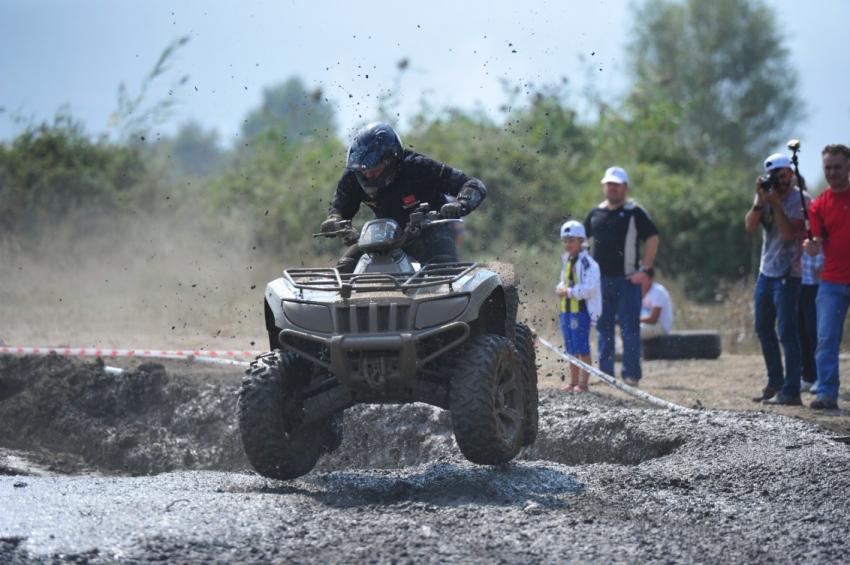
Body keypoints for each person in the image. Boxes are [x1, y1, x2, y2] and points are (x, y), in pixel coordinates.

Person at [320, 122, 486, 272]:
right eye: (363, 171)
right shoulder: (353, 176)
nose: (368, 175)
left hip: (430, 231)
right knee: (345, 269)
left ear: (392, 160)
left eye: (374, 170)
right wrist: (334, 220)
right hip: (382, 237)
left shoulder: (418, 167)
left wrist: (461, 204)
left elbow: (472, 184)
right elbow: (340, 208)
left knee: (443, 272)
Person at [584, 166, 659, 386]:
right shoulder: (595, 213)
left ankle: (631, 375)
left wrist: (644, 270)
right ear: (604, 186)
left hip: (627, 280)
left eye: (617, 184)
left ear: (625, 187)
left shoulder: (635, 212)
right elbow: (581, 241)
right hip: (600, 282)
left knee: (629, 328)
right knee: (603, 328)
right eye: (609, 184)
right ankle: (606, 375)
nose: (612, 188)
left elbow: (653, 238)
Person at [745, 152, 809, 406]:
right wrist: (761, 201)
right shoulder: (766, 194)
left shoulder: (801, 200)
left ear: (790, 174)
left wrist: (776, 203)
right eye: (775, 176)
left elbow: (787, 234)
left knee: (787, 332)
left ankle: (791, 390)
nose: (779, 181)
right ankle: (775, 380)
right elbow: (749, 226)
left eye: (783, 176)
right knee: (762, 327)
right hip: (766, 272)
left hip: (788, 274)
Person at [803, 143, 850, 410]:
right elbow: (815, 241)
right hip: (832, 281)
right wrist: (810, 247)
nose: (832, 172)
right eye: (827, 167)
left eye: (837, 167)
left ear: (848, 167)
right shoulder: (819, 204)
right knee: (826, 339)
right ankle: (827, 393)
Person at [555, 220, 601, 393]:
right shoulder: (567, 260)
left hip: (580, 311)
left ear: (581, 241)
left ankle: (583, 383)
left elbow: (590, 288)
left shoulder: (589, 264)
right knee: (570, 348)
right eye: (565, 241)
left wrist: (569, 292)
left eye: (572, 240)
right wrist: (560, 288)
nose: (568, 244)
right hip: (565, 310)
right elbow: (564, 280)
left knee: (582, 347)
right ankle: (573, 382)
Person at [799, 248, 824, 394]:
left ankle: (821, 377)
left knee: (815, 330)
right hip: (798, 278)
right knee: (800, 329)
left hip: (819, 280)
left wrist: (827, 266)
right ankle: (807, 376)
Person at [640, 268, 673, 339]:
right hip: (645, 325)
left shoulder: (658, 291)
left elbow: (653, 319)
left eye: (643, 277)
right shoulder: (638, 291)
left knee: (633, 331)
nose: (640, 280)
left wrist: (634, 319)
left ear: (650, 279)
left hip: (660, 325)